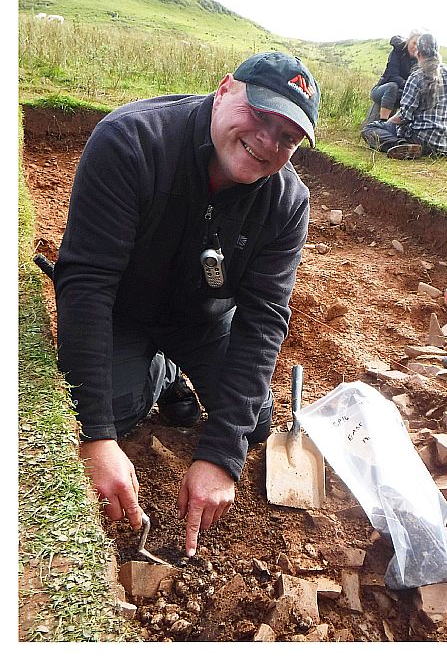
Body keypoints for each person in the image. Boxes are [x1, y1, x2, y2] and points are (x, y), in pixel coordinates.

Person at [54, 51, 318, 557]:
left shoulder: (286, 202)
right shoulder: (131, 141)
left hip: (203, 321)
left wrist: (221, 457)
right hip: (121, 313)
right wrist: (96, 435)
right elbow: (86, 283)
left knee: (254, 423)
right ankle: (161, 370)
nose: (269, 141)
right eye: (261, 116)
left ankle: (174, 365)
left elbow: (263, 320)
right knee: (117, 410)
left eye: (288, 137)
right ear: (224, 90)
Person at [361, 32, 447, 159]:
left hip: (420, 140)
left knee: (370, 128)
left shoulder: (417, 76)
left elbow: (404, 116)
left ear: (418, 54)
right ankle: (446, 150)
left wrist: (387, 124)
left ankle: (400, 144)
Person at [367, 31, 422, 123]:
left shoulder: (421, 60)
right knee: (392, 86)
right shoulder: (398, 52)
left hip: (402, 95)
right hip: (382, 90)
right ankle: (382, 122)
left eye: (419, 45)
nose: (415, 47)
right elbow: (393, 76)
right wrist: (410, 86)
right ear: (408, 41)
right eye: (414, 43)